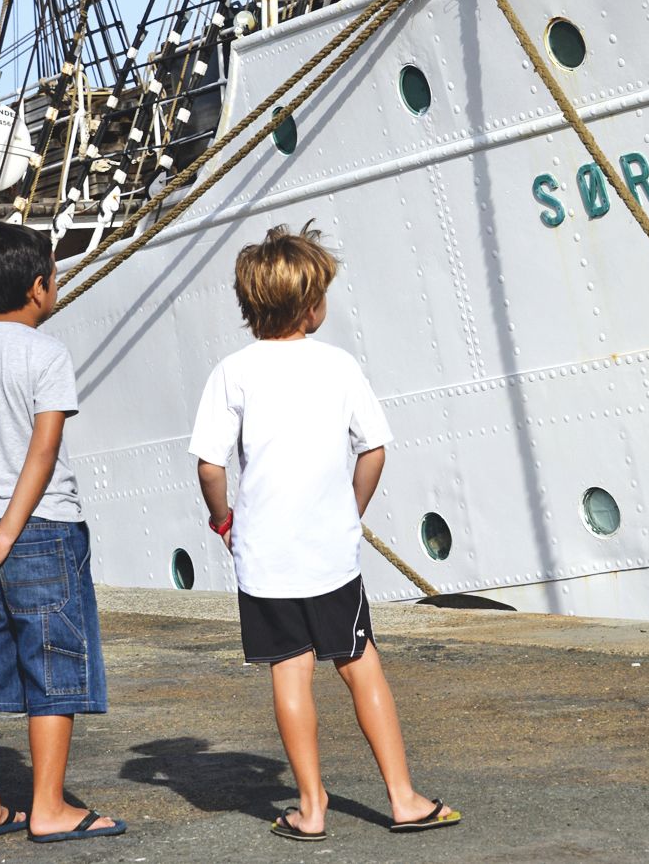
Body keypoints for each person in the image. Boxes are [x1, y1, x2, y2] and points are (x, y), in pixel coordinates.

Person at [189, 224, 460, 842]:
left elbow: (209, 464)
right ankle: (403, 798)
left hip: (264, 557)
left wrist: (223, 518)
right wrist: (351, 510)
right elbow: (374, 449)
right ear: (312, 306)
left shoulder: (232, 372)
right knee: (360, 665)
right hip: (330, 557)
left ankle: (311, 809)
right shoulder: (338, 366)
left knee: (290, 674)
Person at [0, 222, 124, 844]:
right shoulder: (47, 354)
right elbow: (43, 449)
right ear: (39, 287)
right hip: (38, 528)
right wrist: (11, 531)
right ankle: (47, 807)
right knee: (54, 665)